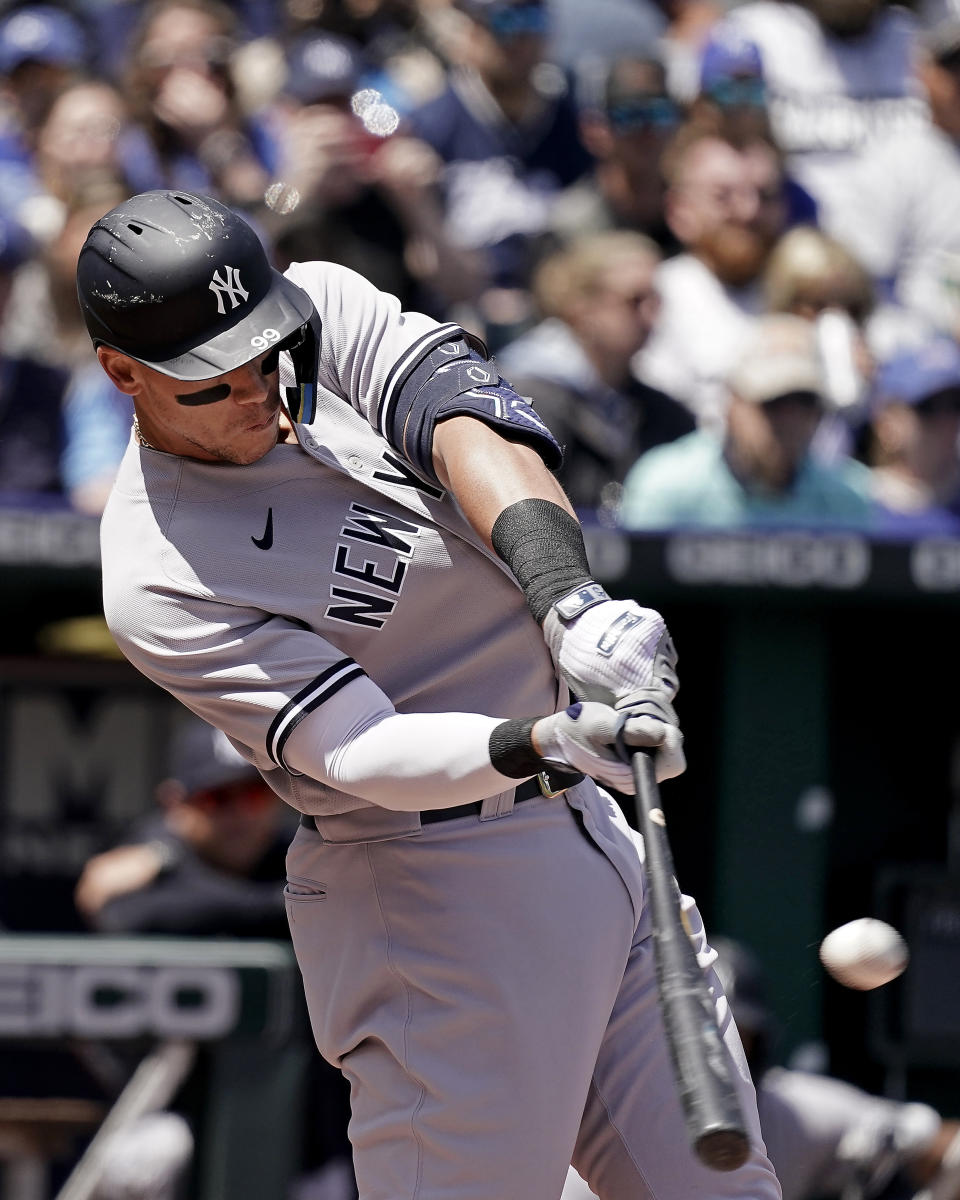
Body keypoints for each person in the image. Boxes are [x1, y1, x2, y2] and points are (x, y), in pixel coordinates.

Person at [77, 187, 779, 1199]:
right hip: (431, 898)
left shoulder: (319, 301)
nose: (256, 389)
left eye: (263, 351)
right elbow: (358, 753)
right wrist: (543, 738)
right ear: (122, 374)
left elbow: (470, 425)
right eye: (209, 381)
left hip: (591, 839)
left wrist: (568, 602)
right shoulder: (157, 573)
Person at [709, 936, 960, 1200]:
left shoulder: (792, 1112)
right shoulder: (661, 1123)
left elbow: (933, 1143)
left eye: (733, 1034)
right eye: (702, 1031)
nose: (715, 1049)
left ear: (756, 1041)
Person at [497, 230, 694, 524]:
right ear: (581, 307)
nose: (651, 316)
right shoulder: (522, 402)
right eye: (635, 300)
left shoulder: (665, 413)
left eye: (656, 300)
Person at [620, 312, 876, 530]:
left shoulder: (848, 498)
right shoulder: (666, 486)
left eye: (804, 402)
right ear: (731, 403)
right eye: (772, 403)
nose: (790, 420)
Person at [633, 125, 790, 429]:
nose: (749, 210)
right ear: (679, 210)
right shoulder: (653, 300)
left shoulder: (808, 295)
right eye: (723, 196)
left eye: (766, 195)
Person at [549, 54, 684, 258]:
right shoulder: (570, 227)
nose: (647, 130)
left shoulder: (696, 216)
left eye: (659, 113)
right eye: (629, 116)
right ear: (594, 130)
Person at [864, 336, 960, 534]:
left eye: (956, 405)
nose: (947, 421)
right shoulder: (851, 502)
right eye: (930, 407)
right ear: (887, 423)